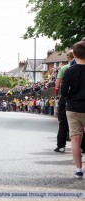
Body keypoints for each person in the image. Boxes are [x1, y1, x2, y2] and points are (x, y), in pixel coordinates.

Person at [61, 41, 85, 179]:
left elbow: (63, 92)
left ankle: (78, 169)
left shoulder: (69, 71)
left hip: (74, 108)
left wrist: (71, 98)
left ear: (74, 55)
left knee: (75, 139)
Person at [54, 51, 74, 153]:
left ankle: (61, 146)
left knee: (63, 122)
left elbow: (57, 85)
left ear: (69, 58)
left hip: (66, 97)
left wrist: (57, 93)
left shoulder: (64, 68)